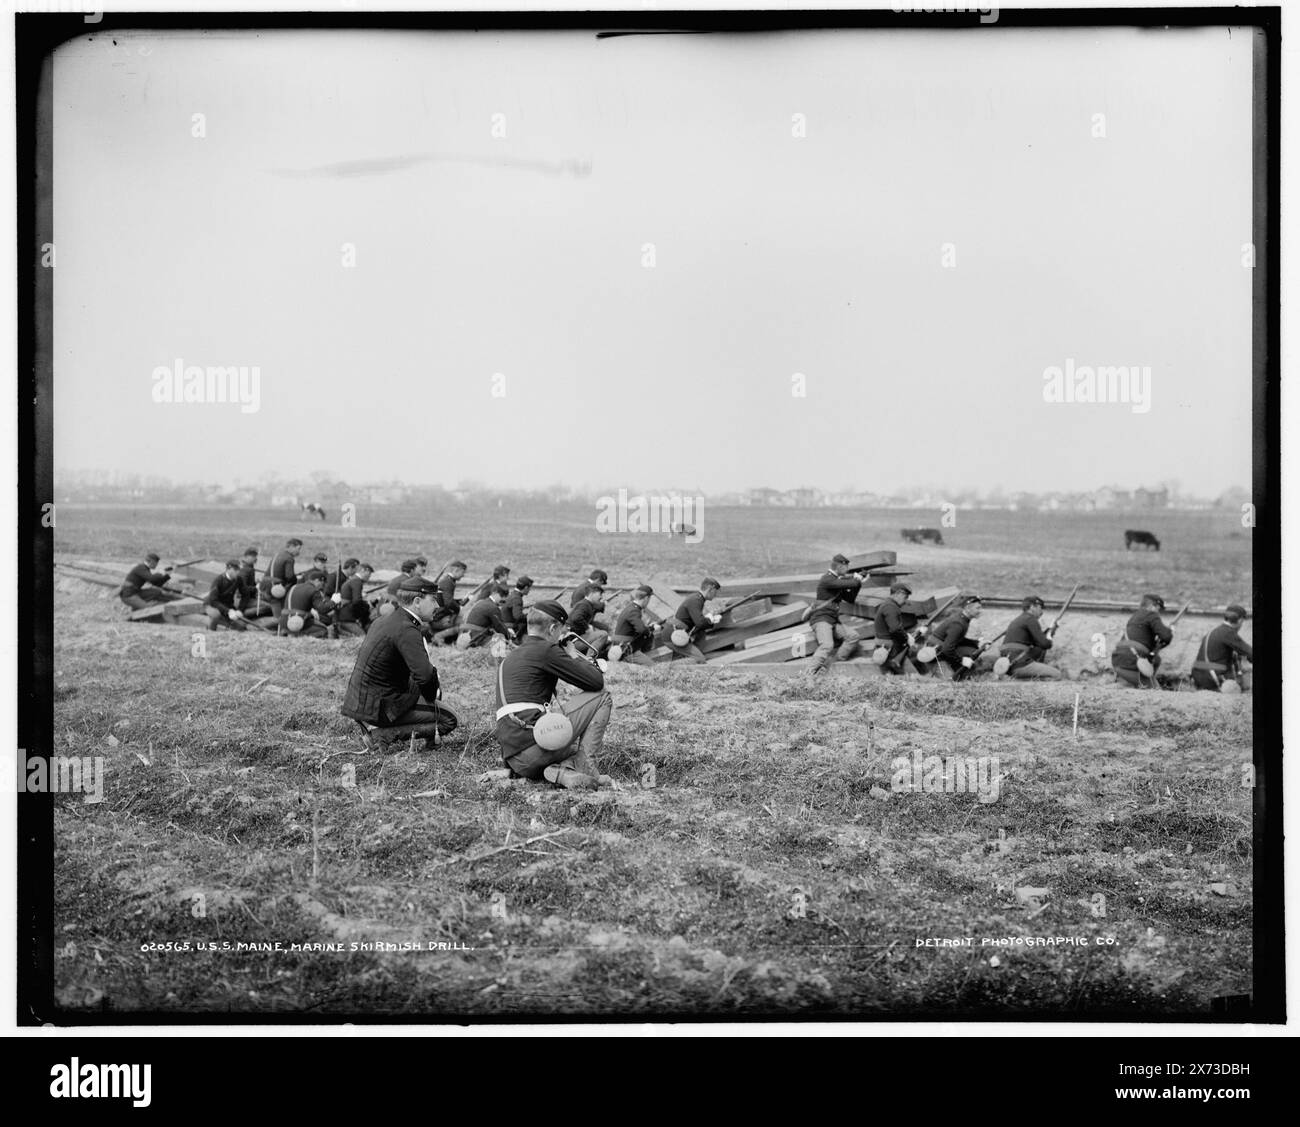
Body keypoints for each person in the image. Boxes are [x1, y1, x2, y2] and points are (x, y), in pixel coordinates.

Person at [493, 600, 613, 789]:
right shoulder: (547, 649)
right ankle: (583, 766)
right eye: (560, 631)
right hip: (537, 747)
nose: (560, 635)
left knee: (566, 739)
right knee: (603, 696)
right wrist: (573, 654)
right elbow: (596, 682)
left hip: (516, 760)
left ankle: (559, 771)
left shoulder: (511, 656)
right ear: (552, 628)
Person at [341, 575, 459, 746]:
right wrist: (433, 696)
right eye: (433, 600)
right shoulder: (407, 629)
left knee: (426, 687)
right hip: (378, 707)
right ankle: (380, 736)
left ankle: (378, 728)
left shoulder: (386, 620)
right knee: (450, 718)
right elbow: (425, 676)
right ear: (417, 602)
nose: (438, 606)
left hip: (361, 700)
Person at [809, 554, 864, 675]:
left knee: (853, 636)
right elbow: (849, 584)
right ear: (839, 566)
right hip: (821, 619)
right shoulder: (827, 579)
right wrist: (857, 580)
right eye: (845, 567)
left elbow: (850, 598)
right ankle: (807, 675)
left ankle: (832, 665)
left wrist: (859, 582)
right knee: (827, 645)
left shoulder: (837, 581)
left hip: (832, 620)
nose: (847, 569)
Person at [1111, 593, 1172, 688]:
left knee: (1156, 660)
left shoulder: (1134, 617)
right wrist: (1169, 630)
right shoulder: (1152, 615)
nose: (1158, 612)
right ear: (1152, 606)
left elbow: (1144, 641)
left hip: (1117, 661)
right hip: (1132, 662)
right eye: (1158, 609)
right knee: (1155, 689)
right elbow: (1166, 637)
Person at [1191, 604, 1253, 692]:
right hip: (1211, 678)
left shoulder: (1215, 631)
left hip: (1198, 675)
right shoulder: (1228, 633)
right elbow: (1250, 653)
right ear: (1239, 620)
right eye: (1242, 622)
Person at [1001, 595, 1065, 680]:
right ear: (1032, 607)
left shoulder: (1020, 619)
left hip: (1010, 664)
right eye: (1040, 608)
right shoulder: (1030, 619)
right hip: (1020, 663)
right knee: (1057, 675)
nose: (1042, 612)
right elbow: (1045, 644)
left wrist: (1052, 628)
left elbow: (1038, 641)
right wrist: (1049, 637)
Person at [667, 578, 722, 662]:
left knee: (679, 659)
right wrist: (712, 620)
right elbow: (700, 623)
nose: (716, 595)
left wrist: (709, 618)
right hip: (675, 635)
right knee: (700, 660)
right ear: (710, 589)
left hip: (679, 634)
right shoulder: (696, 600)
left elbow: (697, 620)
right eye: (715, 591)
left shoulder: (697, 598)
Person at [931, 595, 984, 678]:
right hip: (936, 655)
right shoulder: (958, 624)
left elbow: (958, 639)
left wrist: (978, 644)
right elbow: (947, 649)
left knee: (972, 651)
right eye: (978, 608)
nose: (980, 611)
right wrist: (962, 660)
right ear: (967, 608)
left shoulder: (964, 619)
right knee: (949, 680)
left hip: (943, 650)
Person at [872, 583, 918, 675]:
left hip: (885, 646)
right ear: (898, 594)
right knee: (898, 676)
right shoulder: (890, 607)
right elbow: (895, 629)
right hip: (890, 648)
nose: (905, 601)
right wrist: (907, 638)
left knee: (889, 676)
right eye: (905, 597)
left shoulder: (887, 605)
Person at [611, 586, 660, 665]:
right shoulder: (634, 610)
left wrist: (650, 627)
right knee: (653, 666)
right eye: (649, 599)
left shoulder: (631, 607)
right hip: (625, 648)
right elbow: (641, 630)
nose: (648, 602)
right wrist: (653, 629)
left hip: (623, 645)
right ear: (646, 598)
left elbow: (638, 628)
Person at [259, 538, 303, 621]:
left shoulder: (278, 554)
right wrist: (296, 580)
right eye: (298, 549)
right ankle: (279, 622)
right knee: (280, 604)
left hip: (264, 585)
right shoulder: (289, 558)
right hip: (274, 587)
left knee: (274, 603)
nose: (299, 552)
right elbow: (289, 577)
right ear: (292, 547)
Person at [567, 585, 613, 658]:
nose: (601, 597)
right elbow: (576, 618)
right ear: (592, 593)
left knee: (605, 639)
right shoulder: (584, 605)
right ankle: (590, 659)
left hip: (574, 639)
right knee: (603, 634)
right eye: (600, 594)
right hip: (571, 642)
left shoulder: (586, 604)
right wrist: (587, 628)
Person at [281, 573, 331, 638]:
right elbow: (322, 609)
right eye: (323, 584)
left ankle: (289, 633)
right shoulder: (314, 590)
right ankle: (299, 636)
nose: (323, 587)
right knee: (323, 629)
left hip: (284, 622)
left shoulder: (294, 586)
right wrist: (333, 602)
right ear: (316, 580)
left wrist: (311, 610)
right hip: (298, 621)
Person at [203, 560, 249, 631]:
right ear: (228, 569)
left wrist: (240, 610)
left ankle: (225, 626)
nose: (237, 572)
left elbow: (245, 595)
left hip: (227, 606)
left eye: (238, 570)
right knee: (216, 615)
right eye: (235, 570)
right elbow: (213, 600)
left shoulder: (239, 579)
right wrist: (228, 611)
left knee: (241, 626)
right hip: (211, 605)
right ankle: (211, 631)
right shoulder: (218, 580)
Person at [336, 561, 374, 637]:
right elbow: (357, 601)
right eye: (369, 574)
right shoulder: (357, 581)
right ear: (363, 570)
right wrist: (368, 606)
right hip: (347, 618)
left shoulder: (352, 580)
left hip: (344, 616)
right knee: (362, 636)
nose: (369, 577)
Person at [235, 547, 262, 614]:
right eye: (252, 556)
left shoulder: (248, 568)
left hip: (244, 597)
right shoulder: (245, 570)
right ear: (245, 557)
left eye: (255, 556)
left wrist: (255, 583)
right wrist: (255, 588)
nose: (255, 558)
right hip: (241, 599)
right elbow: (242, 588)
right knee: (268, 606)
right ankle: (242, 614)